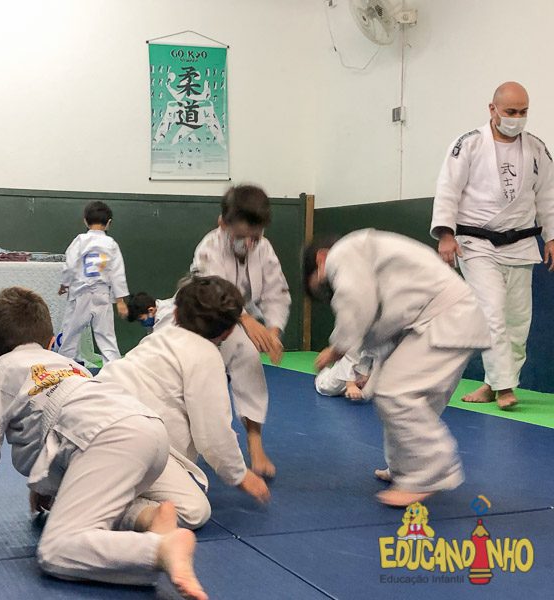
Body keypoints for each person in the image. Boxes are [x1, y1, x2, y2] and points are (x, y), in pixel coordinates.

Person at [0, 287, 206, 600]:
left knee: (56, 550)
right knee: (174, 507)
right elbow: (63, 427)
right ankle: (147, 517)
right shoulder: (72, 366)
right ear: (51, 343)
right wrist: (47, 484)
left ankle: (159, 548)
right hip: (148, 428)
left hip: (106, 440)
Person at [305, 230, 490, 507]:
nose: (327, 286)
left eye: (321, 281)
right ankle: (406, 469)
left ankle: (432, 473)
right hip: (445, 319)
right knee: (407, 399)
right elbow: (381, 323)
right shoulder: (369, 253)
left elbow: (355, 301)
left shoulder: (342, 253)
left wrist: (337, 346)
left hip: (444, 318)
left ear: (321, 258)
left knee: (395, 393)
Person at [98, 276, 270, 530]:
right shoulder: (206, 356)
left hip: (91, 415)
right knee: (194, 510)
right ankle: (106, 509)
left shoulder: (157, 339)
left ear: (175, 314)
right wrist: (239, 475)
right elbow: (213, 435)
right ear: (229, 330)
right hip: (131, 441)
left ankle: (75, 486)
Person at [431, 81, 554, 409]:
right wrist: (446, 235)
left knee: (518, 322)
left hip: (521, 243)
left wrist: (551, 236)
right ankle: (505, 388)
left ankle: (491, 383)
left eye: (523, 112)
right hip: (476, 243)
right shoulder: (468, 144)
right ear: (492, 109)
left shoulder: (537, 149)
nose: (517, 118)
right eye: (511, 111)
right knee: (493, 313)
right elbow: (448, 189)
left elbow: (547, 195)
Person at [189, 184, 291, 478]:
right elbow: (214, 292)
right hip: (201, 321)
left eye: (255, 236)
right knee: (195, 381)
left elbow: (276, 292)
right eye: (241, 235)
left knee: (248, 357)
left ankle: (255, 442)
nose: (249, 242)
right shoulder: (209, 248)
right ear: (223, 223)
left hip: (236, 324)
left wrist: (272, 331)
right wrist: (246, 320)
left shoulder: (264, 248)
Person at [58, 200, 129, 363]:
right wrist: (120, 301)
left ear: (85, 221)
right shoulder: (111, 244)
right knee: (107, 337)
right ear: (109, 223)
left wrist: (65, 284)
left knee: (70, 334)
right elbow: (117, 273)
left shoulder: (80, 240)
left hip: (80, 294)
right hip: (102, 295)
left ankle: (65, 367)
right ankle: (113, 369)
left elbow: (70, 265)